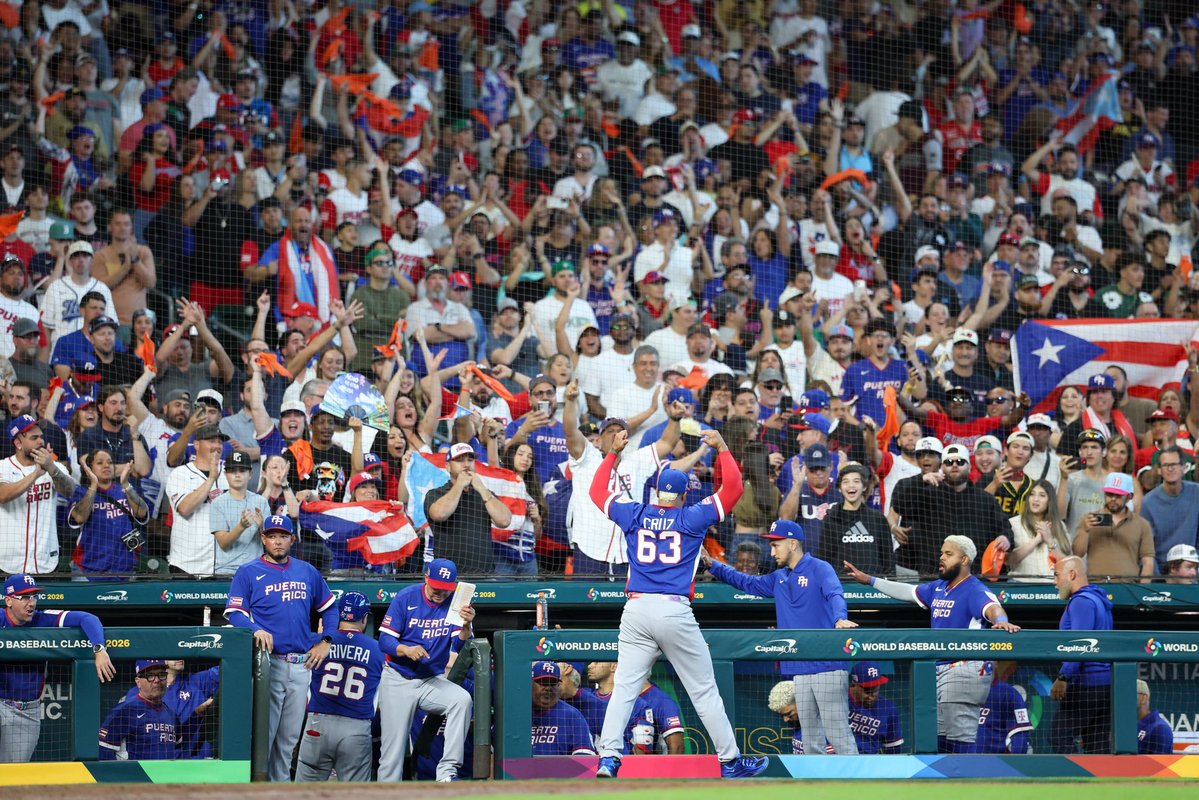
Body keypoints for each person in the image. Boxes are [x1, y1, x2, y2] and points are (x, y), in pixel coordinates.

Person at [589, 427, 767, 779]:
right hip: (673, 609)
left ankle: (608, 757)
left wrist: (612, 454)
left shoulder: (635, 513)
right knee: (703, 690)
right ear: (685, 493)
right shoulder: (691, 517)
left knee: (624, 687)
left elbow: (597, 492)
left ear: (658, 492)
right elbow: (733, 489)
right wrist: (723, 448)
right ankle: (730, 762)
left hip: (636, 609)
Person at [844, 535, 1020, 753]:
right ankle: (945, 784)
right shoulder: (940, 587)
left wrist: (1001, 621)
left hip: (964, 666)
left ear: (965, 560)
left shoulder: (974, 588)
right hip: (940, 669)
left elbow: (992, 607)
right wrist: (870, 580)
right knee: (940, 738)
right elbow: (907, 592)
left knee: (959, 738)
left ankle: (969, 784)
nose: (941, 558)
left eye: (948, 554)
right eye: (941, 553)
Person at [704, 519, 859, 756]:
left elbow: (835, 594)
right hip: (800, 666)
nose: (772, 550)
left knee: (838, 733)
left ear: (793, 544)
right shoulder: (779, 577)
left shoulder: (820, 568)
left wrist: (840, 618)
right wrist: (714, 565)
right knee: (811, 739)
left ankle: (857, 788)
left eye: (777, 545)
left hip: (828, 664)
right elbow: (747, 582)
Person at [223, 515, 338, 782]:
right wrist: (256, 629)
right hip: (268, 664)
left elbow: (330, 608)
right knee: (264, 737)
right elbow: (235, 612)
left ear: (292, 540)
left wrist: (326, 641)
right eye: (272, 536)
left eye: (283, 536)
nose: (277, 541)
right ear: (263, 539)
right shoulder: (248, 571)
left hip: (301, 665)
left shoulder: (307, 571)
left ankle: (280, 790)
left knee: (288, 740)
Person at [376, 559, 475, 782]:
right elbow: (384, 640)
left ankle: (447, 773)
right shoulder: (407, 596)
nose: (441, 593)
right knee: (392, 753)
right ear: (426, 578)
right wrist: (405, 649)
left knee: (461, 700)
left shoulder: (455, 602)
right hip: (398, 678)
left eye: (445, 589)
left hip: (431, 679)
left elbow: (458, 645)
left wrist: (467, 626)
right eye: (436, 587)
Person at [0, 573, 116, 762]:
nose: (31, 603)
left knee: (13, 773)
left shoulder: (41, 620)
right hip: (1, 702)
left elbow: (87, 618)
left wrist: (99, 648)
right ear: (9, 601)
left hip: (26, 711)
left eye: (34, 597)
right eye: (24, 598)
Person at [296, 592, 386, 783]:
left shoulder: (320, 643)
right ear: (365, 618)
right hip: (356, 728)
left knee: (304, 794)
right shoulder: (379, 649)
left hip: (318, 724)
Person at [1050, 555, 1113, 754]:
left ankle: (1073, 783)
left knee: (1059, 736)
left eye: (1057, 576)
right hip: (1105, 686)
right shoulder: (1098, 599)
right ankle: (1098, 785)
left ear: (1072, 574)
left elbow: (1080, 644)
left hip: (1086, 685)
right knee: (1098, 746)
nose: (1055, 582)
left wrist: (1063, 677)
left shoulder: (1081, 602)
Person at [0, 415, 79, 575]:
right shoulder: (3, 467)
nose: (40, 442)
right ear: (18, 443)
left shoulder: (53, 467)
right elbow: (2, 495)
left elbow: (70, 490)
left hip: (45, 560)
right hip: (8, 562)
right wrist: (36, 475)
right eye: (34, 438)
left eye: (41, 437)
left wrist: (52, 469)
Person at [425, 443, 514, 575]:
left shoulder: (484, 494)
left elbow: (505, 521)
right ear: (448, 466)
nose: (466, 464)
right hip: (447, 575)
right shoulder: (436, 494)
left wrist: (482, 489)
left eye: (470, 460)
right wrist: (460, 484)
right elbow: (439, 514)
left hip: (485, 575)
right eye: (460, 460)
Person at [68, 448, 149, 580]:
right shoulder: (81, 492)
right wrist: (93, 485)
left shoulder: (126, 490)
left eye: (110, 462)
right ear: (89, 469)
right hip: (88, 570)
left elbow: (142, 513)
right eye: (99, 463)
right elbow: (79, 517)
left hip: (125, 570)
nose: (106, 466)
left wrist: (126, 484)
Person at [1071, 472, 1154, 580]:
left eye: (1118, 495)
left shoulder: (1142, 524)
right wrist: (1085, 531)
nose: (1113, 499)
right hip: (1095, 586)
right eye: (1109, 494)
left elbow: (1148, 562)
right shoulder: (1089, 519)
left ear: (1129, 497)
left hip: (1129, 588)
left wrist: (1142, 592)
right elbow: (1078, 553)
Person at [819, 464, 894, 576]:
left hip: (873, 588)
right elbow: (824, 559)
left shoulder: (878, 519)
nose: (851, 486)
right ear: (840, 488)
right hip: (842, 586)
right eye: (846, 482)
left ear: (864, 487)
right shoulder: (831, 519)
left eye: (856, 481)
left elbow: (888, 560)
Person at [98, 660, 181, 760]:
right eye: (150, 676)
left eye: (162, 674)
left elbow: (179, 749)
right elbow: (104, 750)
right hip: (137, 774)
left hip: (166, 775)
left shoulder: (171, 714)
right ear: (138, 682)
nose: (157, 680)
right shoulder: (125, 710)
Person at [209, 451, 271, 576]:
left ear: (250, 474)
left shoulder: (261, 501)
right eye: (232, 471)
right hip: (226, 571)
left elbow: (270, 542)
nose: (237, 475)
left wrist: (262, 527)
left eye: (242, 470)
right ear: (226, 474)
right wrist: (241, 527)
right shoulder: (218, 503)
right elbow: (223, 543)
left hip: (256, 570)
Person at [1138, 445, 1199, 572]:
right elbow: (1147, 550)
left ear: (1184, 468)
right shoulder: (1148, 503)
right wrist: (1159, 580)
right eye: (1166, 465)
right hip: (1163, 573)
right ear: (1159, 470)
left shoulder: (1196, 493)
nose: (1170, 469)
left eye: (1174, 464)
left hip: (1194, 570)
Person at [532, 661, 596, 756]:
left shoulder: (572, 716)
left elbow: (585, 757)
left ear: (559, 685)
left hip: (559, 770)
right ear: (531, 684)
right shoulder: (518, 712)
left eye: (552, 683)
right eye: (543, 683)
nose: (548, 688)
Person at [847, 661, 904, 754]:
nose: (872, 696)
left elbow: (894, 748)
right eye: (867, 691)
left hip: (871, 762)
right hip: (837, 759)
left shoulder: (888, 708)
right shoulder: (839, 701)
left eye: (875, 690)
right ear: (854, 684)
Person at [975, 677, 1033, 754]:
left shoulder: (1007, 693)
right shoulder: (957, 691)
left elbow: (1020, 741)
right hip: (960, 760)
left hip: (993, 761)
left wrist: (1015, 763)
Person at [1137, 679, 1173, 754]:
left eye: (1129, 695)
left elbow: (1158, 764)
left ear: (1144, 698)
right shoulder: (1128, 727)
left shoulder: (1160, 728)